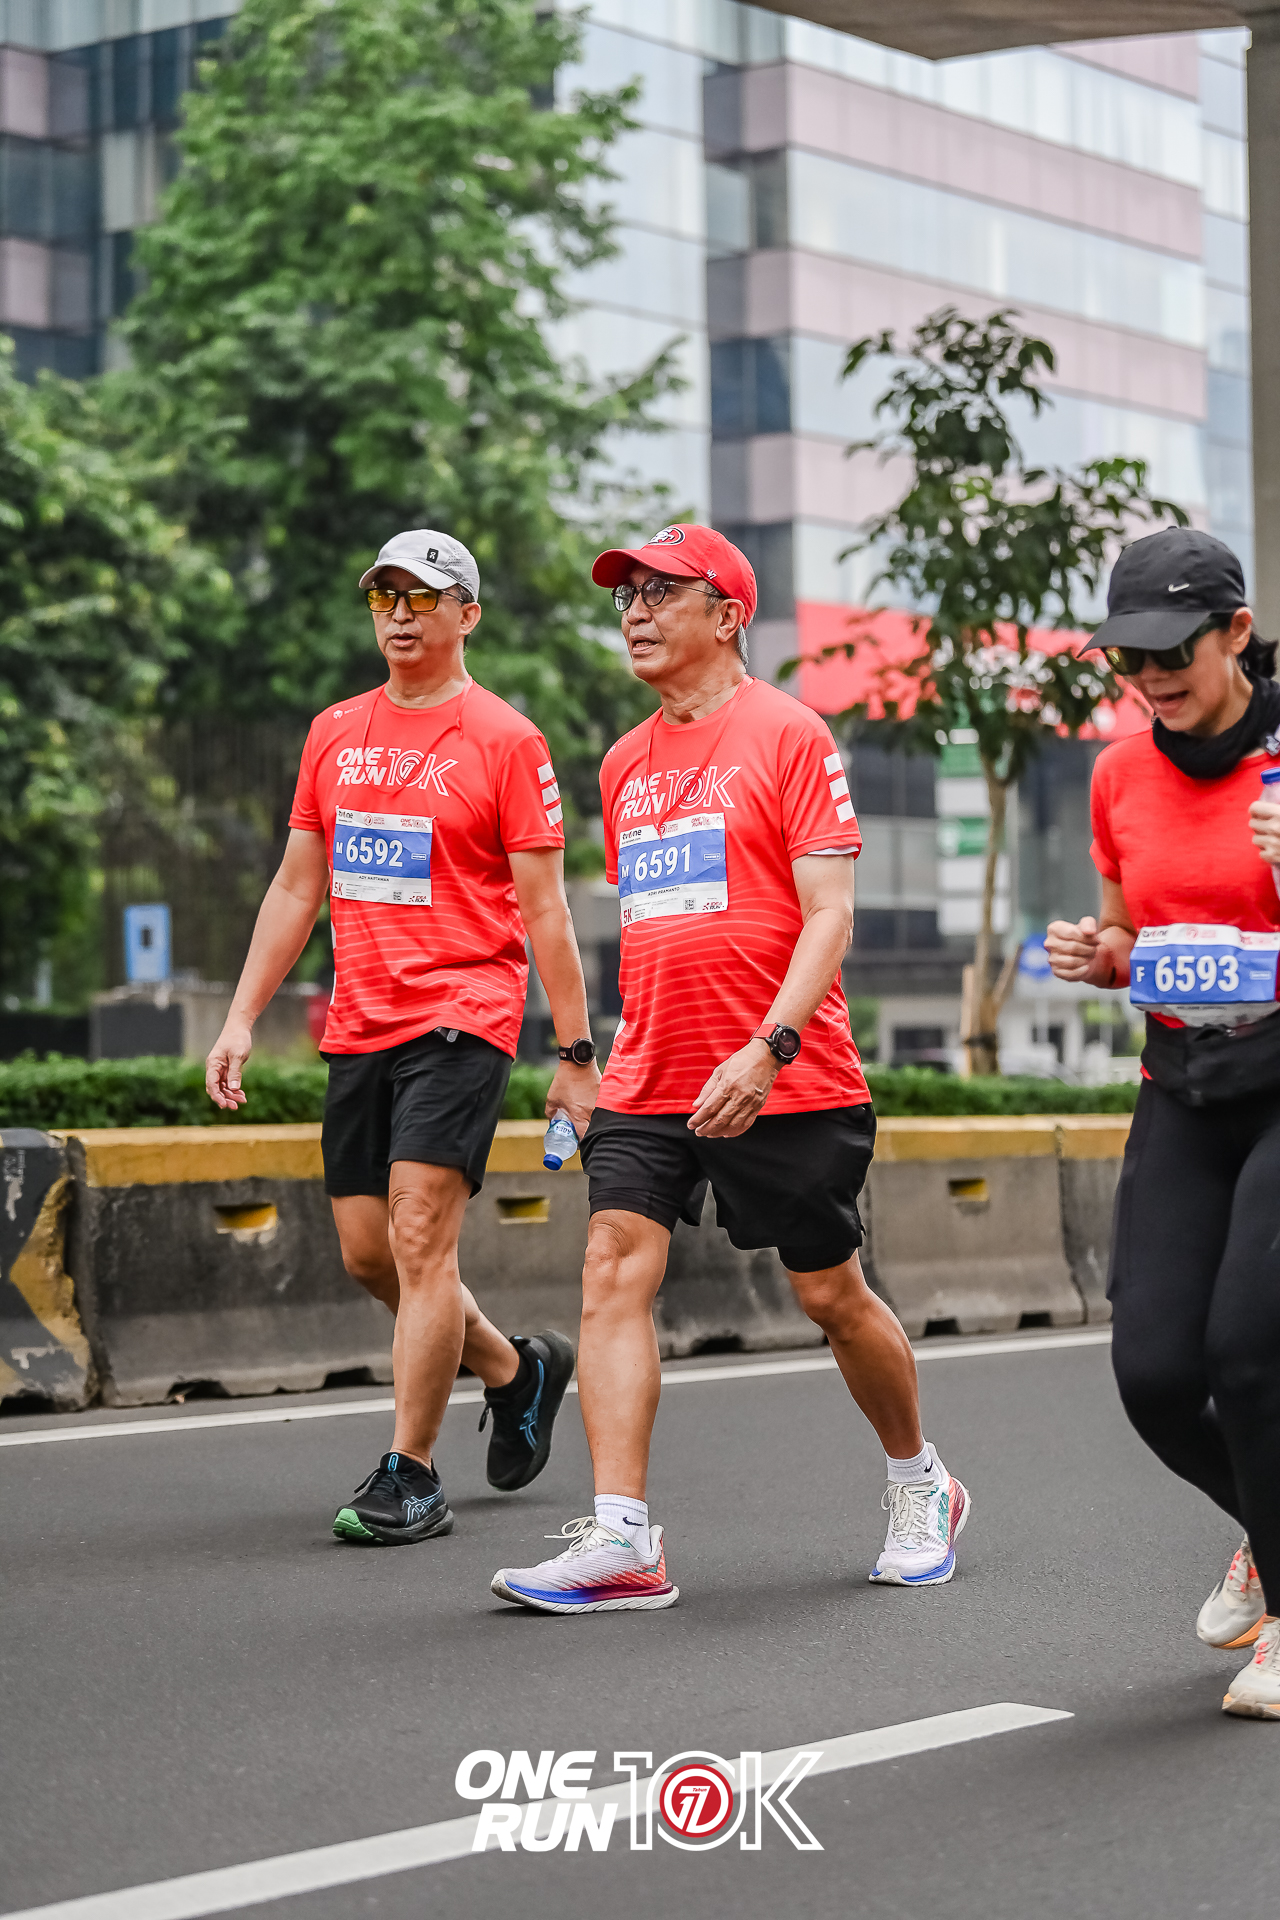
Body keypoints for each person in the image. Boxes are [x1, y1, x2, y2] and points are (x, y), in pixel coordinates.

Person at [491, 524, 970, 1613]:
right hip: (651, 1069)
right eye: (625, 596)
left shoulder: (790, 734)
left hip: (784, 1071)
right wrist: (587, 1058)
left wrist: (768, 1046)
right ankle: (623, 1538)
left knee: (829, 1292)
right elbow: (662, 921)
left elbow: (828, 915)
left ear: (727, 613)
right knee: (610, 1266)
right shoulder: (622, 761)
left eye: (661, 593)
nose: (635, 613)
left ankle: (919, 1482)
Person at [206, 530, 599, 1543]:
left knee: (422, 1239)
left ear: (467, 614)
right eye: (383, 596)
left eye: (421, 597)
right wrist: (242, 1016)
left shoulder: (507, 740)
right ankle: (516, 1369)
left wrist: (574, 1054)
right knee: (369, 1255)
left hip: (463, 1018)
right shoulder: (334, 731)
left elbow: (546, 910)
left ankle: (410, 1473)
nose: (398, 615)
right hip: (361, 1023)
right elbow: (297, 886)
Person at [1046, 526, 1280, 1721]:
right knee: (1151, 1373)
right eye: (1125, 658)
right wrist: (1096, 954)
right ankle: (1266, 1527)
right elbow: (1134, 934)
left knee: (1246, 1352)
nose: (1147, 678)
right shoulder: (1117, 774)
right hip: (1180, 1082)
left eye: (1169, 652)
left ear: (1234, 632)